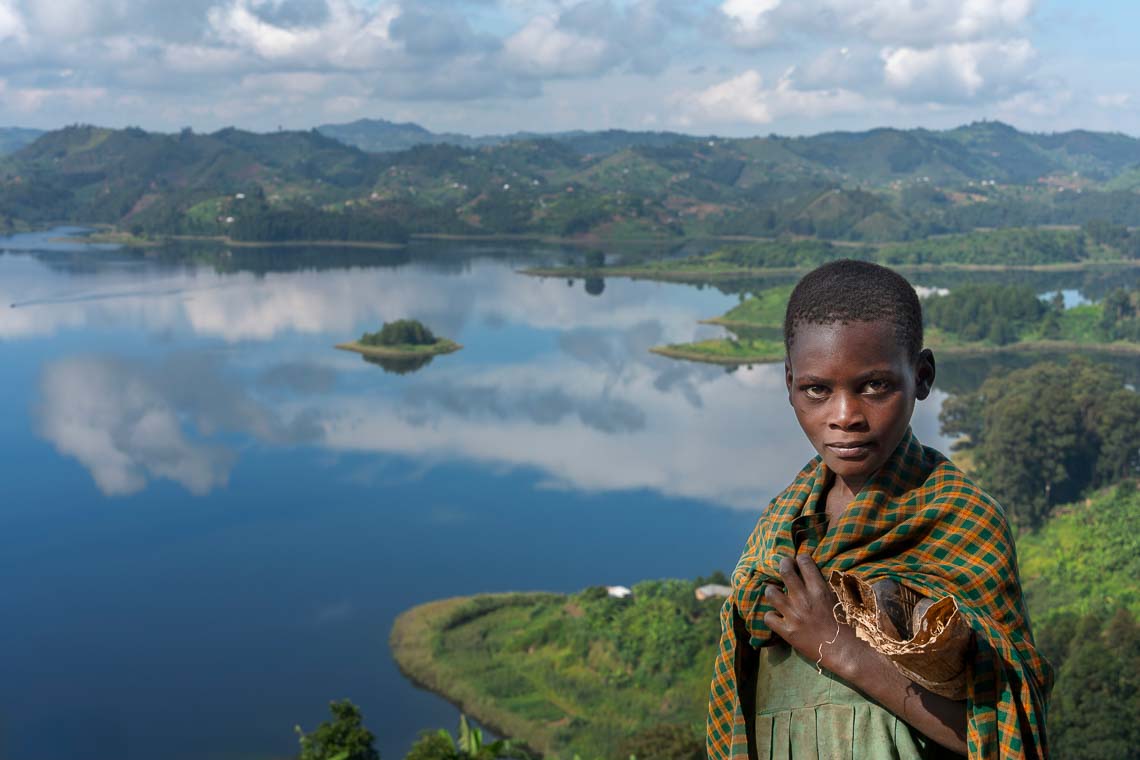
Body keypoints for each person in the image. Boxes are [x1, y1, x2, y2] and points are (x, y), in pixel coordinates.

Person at [706, 260, 1053, 759]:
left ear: (922, 376)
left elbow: (1003, 731)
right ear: (789, 384)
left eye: (874, 386)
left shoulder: (959, 518)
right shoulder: (781, 523)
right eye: (817, 390)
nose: (844, 417)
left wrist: (840, 648)